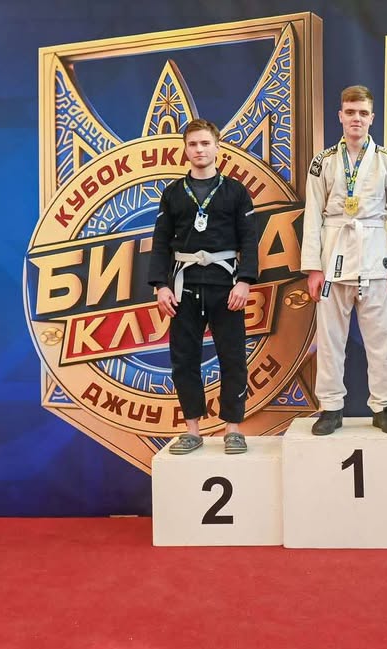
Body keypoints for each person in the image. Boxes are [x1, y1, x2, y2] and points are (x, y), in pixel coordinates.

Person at [300, 85, 387, 436]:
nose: (356, 119)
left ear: (372, 117)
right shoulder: (323, 161)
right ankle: (331, 407)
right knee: (330, 338)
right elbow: (312, 214)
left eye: (363, 113)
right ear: (340, 116)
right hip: (334, 255)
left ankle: (384, 406)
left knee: (382, 338)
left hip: (375, 254)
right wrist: (313, 267)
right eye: (350, 112)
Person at [148, 118, 259, 455]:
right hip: (184, 287)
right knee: (184, 359)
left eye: (205, 143)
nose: (200, 150)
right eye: (193, 144)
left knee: (233, 357)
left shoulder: (235, 191)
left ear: (217, 147)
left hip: (226, 287)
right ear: (185, 150)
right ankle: (192, 430)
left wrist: (245, 281)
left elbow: (249, 240)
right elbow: (160, 242)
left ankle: (233, 429)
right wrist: (160, 286)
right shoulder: (172, 193)